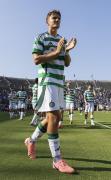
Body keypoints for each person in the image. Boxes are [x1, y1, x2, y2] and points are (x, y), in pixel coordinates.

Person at [24, 10, 77, 174]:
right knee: (53, 117)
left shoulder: (61, 39)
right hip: (47, 81)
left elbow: (66, 63)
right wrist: (56, 51)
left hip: (59, 82)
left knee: (53, 117)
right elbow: (36, 59)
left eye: (59, 18)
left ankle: (31, 140)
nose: (57, 20)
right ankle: (57, 160)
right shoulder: (41, 37)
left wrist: (67, 50)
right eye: (54, 18)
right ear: (47, 21)